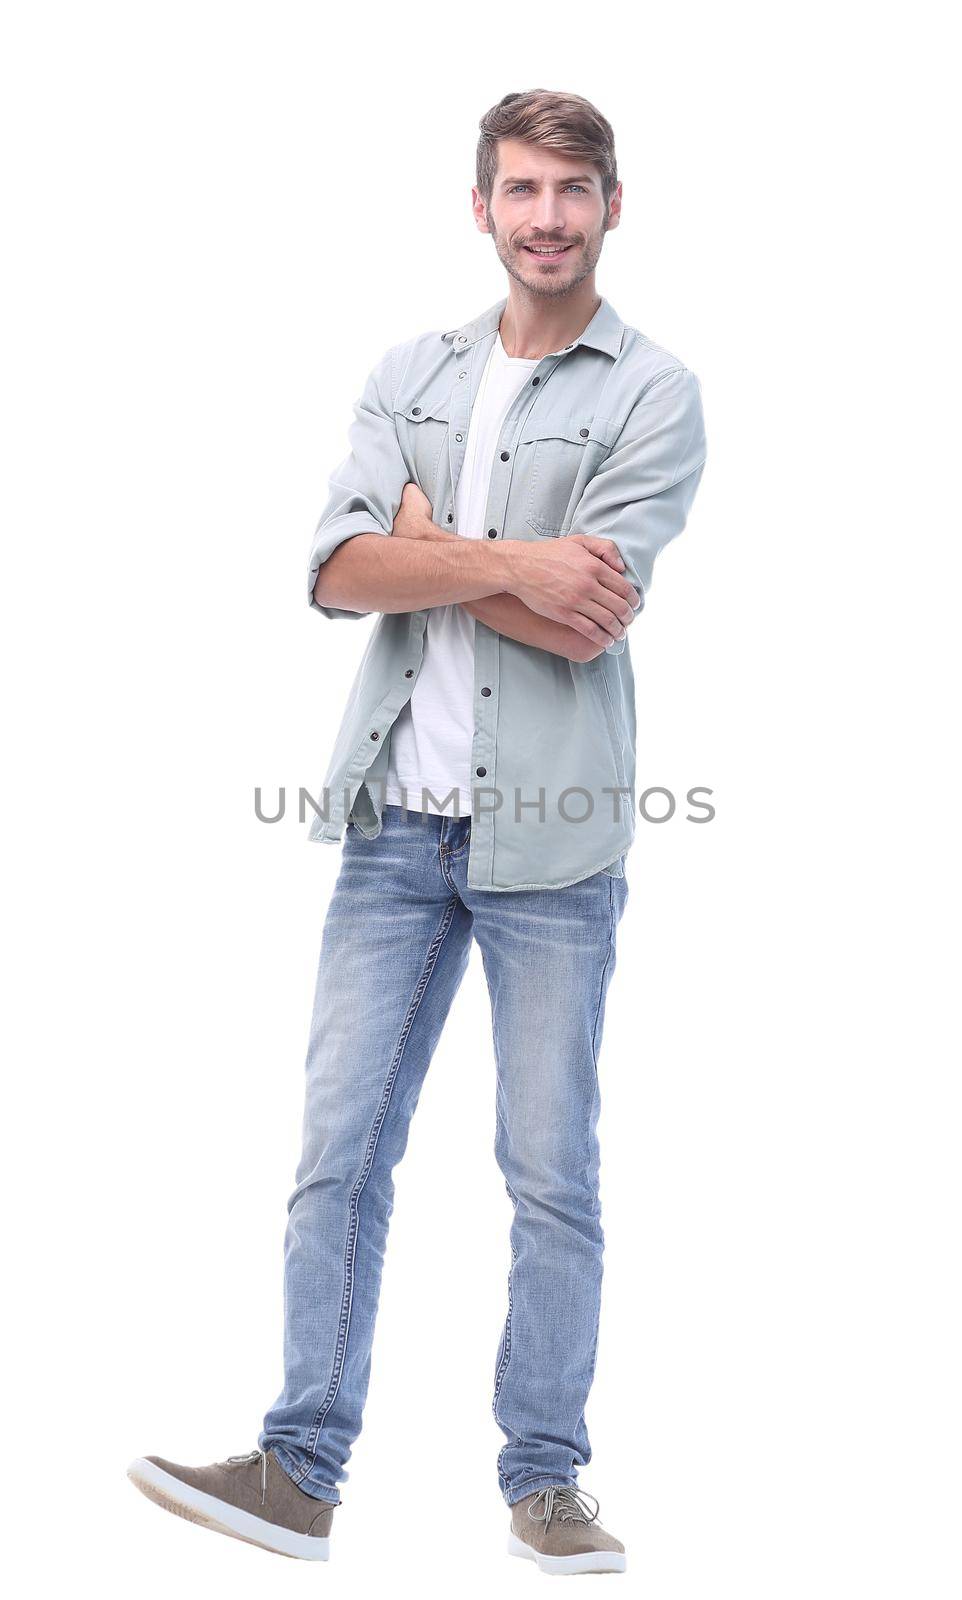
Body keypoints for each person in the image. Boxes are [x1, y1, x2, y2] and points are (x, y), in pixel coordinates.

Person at [128, 87, 707, 1576]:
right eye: (520, 188)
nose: (546, 216)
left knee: (548, 1172)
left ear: (611, 207)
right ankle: (299, 1471)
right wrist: (484, 559)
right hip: (394, 824)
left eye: (573, 190)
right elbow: (331, 576)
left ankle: (546, 1480)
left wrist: (425, 547)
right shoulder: (411, 371)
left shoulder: (652, 390)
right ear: (482, 206)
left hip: (555, 840)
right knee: (336, 1155)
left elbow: (588, 621)